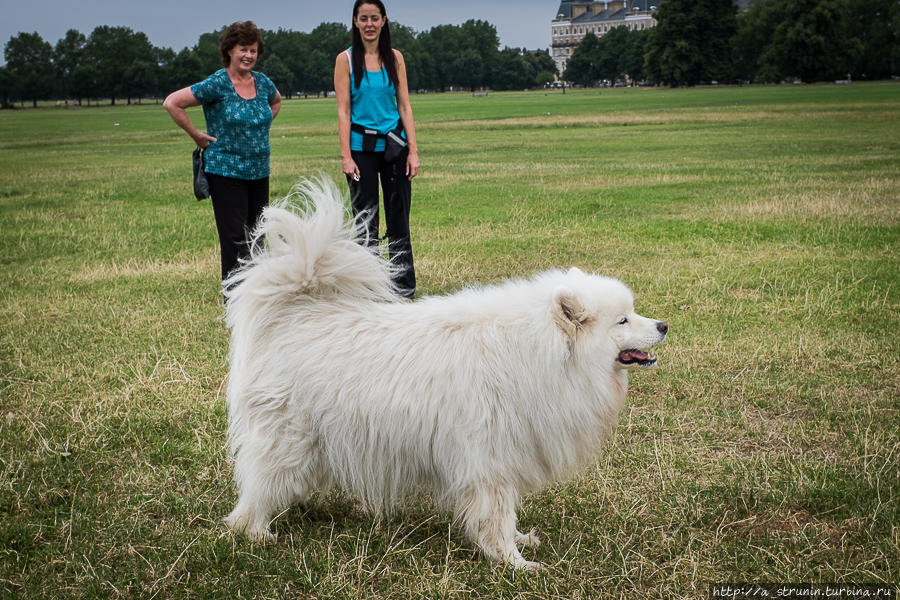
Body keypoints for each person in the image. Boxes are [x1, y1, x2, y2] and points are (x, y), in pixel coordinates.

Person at [163, 21, 282, 288]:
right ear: (229, 50)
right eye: (243, 49)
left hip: (259, 170)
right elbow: (172, 103)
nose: (249, 55)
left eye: (253, 50)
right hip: (225, 172)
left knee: (257, 236)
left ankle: (257, 294)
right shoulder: (218, 83)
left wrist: (258, 126)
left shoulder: (262, 83)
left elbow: (276, 101)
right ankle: (234, 299)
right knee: (235, 239)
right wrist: (196, 135)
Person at [334, 0, 420, 300]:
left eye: (374, 18)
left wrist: (413, 151)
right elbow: (343, 111)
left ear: (383, 21)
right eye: (363, 19)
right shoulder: (345, 60)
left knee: (399, 219)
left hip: (395, 148)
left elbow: (405, 106)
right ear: (355, 22)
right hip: (361, 150)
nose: (369, 24)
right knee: (365, 221)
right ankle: (367, 289)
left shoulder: (395, 58)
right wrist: (346, 156)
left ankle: (402, 289)